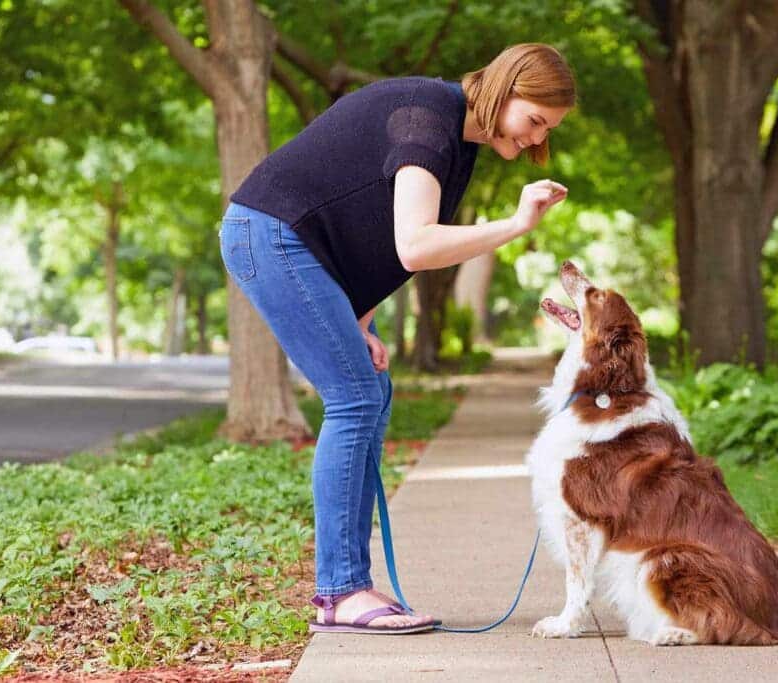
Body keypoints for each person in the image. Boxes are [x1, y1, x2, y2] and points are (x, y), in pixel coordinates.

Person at [219, 43, 575, 634]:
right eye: (534, 120)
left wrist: (360, 315)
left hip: (311, 251)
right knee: (354, 398)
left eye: (548, 131)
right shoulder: (428, 119)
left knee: (371, 393)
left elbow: (376, 235)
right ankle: (340, 592)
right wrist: (514, 226)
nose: (537, 141)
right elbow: (416, 243)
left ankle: (348, 584)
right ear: (504, 87)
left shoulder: (457, 141)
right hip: (273, 236)